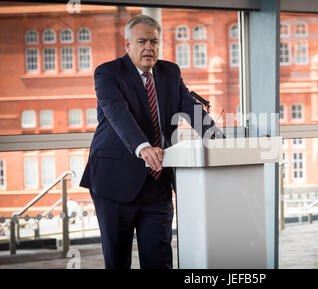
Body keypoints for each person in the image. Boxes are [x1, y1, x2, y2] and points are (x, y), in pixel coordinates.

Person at [80, 14, 219, 269]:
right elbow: (117, 113)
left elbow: (190, 108)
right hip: (114, 182)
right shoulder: (108, 73)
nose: (149, 47)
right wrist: (143, 147)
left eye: (154, 42)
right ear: (128, 45)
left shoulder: (170, 72)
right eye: (142, 41)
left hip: (157, 182)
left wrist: (219, 140)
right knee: (118, 261)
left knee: (159, 260)